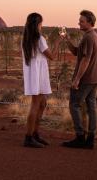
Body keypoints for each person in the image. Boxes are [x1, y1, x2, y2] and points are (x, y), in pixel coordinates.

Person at [61, 10, 97, 149]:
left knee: (74, 104)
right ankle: (90, 139)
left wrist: (77, 79)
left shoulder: (89, 37)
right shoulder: (93, 35)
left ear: (89, 22)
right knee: (91, 107)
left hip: (86, 79)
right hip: (94, 78)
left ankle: (79, 137)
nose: (79, 22)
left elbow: (86, 59)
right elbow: (77, 52)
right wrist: (67, 40)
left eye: (82, 21)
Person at [22, 12, 58, 148]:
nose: (41, 26)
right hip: (38, 75)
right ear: (37, 24)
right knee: (36, 105)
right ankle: (29, 137)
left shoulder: (26, 38)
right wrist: (59, 41)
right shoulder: (39, 39)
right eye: (41, 23)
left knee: (42, 104)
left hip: (35, 74)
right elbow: (52, 56)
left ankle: (35, 134)